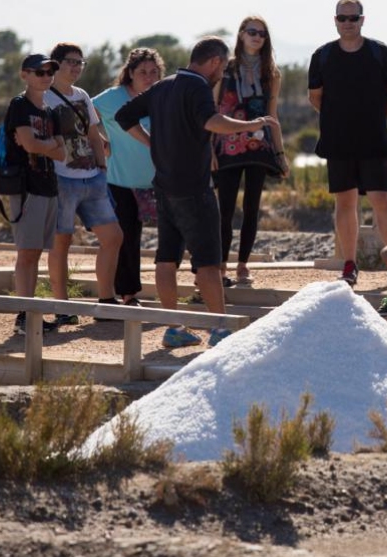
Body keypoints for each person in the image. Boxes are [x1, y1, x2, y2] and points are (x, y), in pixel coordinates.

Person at [116, 36, 279, 348]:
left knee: (166, 259)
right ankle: (220, 329)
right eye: (223, 66)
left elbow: (124, 117)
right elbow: (212, 121)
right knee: (207, 262)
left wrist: (152, 142)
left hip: (164, 186)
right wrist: (251, 125)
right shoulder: (198, 87)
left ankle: (173, 327)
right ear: (215, 62)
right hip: (194, 188)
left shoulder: (163, 86)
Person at [308, 0, 387, 286]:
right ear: (335, 20)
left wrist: (377, 118)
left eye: (353, 18)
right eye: (342, 18)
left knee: (381, 200)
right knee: (345, 201)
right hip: (338, 141)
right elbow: (315, 98)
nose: (347, 23)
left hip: (372, 139)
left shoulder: (380, 53)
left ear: (363, 19)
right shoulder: (322, 55)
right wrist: (338, 120)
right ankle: (350, 264)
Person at [46, 42, 123, 325]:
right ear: (54, 63)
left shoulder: (82, 95)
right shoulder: (43, 97)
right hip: (61, 178)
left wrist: (101, 166)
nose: (76, 67)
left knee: (113, 236)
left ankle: (106, 300)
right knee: (61, 242)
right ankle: (62, 306)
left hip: (91, 176)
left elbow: (92, 131)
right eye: (70, 62)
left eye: (80, 62)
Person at [213, 15, 289, 287]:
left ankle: (243, 264)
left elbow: (272, 114)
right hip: (227, 144)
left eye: (262, 33)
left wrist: (280, 154)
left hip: (259, 144)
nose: (257, 37)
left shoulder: (271, 72)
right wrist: (208, 149)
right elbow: (213, 108)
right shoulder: (225, 68)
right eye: (252, 32)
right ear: (241, 34)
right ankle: (220, 266)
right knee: (225, 208)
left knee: (252, 208)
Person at [93, 47, 165, 307]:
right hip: (119, 180)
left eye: (154, 72)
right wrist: (99, 138)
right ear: (130, 73)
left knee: (169, 237)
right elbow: (81, 114)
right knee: (126, 237)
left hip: (156, 181)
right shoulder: (113, 98)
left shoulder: (161, 96)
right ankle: (128, 294)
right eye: (143, 72)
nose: (149, 76)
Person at [6, 53, 66, 335]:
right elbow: (29, 146)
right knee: (27, 253)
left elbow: (63, 152)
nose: (46, 77)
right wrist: (48, 144)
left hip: (48, 185)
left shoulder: (50, 112)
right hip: (26, 187)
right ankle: (24, 316)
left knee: (37, 252)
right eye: (39, 72)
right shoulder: (19, 105)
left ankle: (30, 313)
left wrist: (45, 143)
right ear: (25, 75)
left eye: (49, 72)